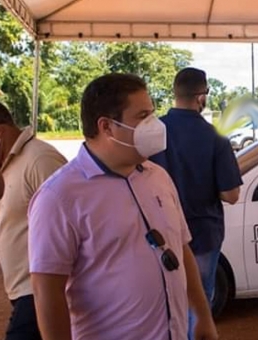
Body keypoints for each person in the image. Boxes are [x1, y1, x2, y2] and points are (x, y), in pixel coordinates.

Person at [27, 74, 218, 340]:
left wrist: (202, 316)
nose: (154, 124)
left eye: (152, 113)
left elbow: (180, 247)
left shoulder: (158, 176)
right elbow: (47, 289)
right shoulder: (58, 197)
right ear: (106, 126)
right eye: (142, 116)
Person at [149, 67, 242, 338]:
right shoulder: (215, 137)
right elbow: (231, 195)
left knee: (162, 305)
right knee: (197, 305)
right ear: (202, 97)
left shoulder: (154, 133)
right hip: (202, 235)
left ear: (175, 94)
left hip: (158, 235)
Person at [0, 101, 67, 340]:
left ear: (0, 132)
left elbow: (71, 221)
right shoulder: (4, 165)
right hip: (19, 290)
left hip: (38, 289)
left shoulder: (40, 160)